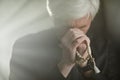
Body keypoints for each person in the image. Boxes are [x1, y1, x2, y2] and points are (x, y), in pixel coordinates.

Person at [10, 0, 120, 80]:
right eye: (66, 27)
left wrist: (87, 68)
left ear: (91, 18)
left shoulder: (106, 47)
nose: (74, 35)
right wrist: (65, 65)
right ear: (53, 19)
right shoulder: (24, 47)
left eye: (82, 27)